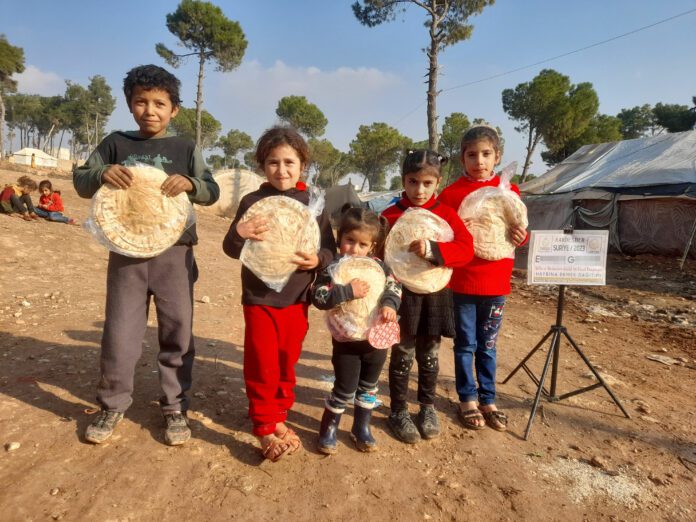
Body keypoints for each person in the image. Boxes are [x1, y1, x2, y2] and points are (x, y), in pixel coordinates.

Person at [73, 64, 220, 446]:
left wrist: (190, 182)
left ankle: (174, 408)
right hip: (127, 255)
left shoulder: (185, 147)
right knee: (120, 333)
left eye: (159, 103)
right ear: (129, 105)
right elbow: (81, 181)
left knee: (178, 332)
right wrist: (103, 173)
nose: (149, 110)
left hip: (176, 254)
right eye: (141, 102)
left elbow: (211, 189)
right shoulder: (115, 143)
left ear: (174, 109)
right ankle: (112, 403)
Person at [222, 126, 337, 462]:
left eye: (290, 162)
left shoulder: (313, 204)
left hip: (297, 299)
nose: (282, 170)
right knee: (261, 361)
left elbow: (329, 249)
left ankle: (279, 412)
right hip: (259, 298)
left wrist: (318, 260)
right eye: (273, 162)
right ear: (262, 165)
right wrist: (240, 232)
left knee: (287, 359)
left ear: (303, 165)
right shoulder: (253, 201)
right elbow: (231, 247)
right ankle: (263, 425)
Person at [438, 125, 528, 432]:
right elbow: (443, 236)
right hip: (463, 283)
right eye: (472, 155)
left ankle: (489, 399)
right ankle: (468, 400)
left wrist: (521, 236)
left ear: (497, 156)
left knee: (488, 345)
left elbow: (516, 232)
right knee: (465, 344)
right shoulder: (451, 195)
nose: (479, 161)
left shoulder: (509, 193)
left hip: (496, 284)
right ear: (462, 158)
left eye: (486, 154)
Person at [381, 149, 474, 444]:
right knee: (403, 352)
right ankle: (397, 411)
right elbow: (375, 252)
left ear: (438, 182)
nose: (419, 190)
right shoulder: (390, 215)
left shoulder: (445, 215)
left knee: (430, 353)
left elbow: (466, 250)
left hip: (435, 295)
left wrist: (435, 249)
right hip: (401, 297)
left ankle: (427, 407)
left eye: (427, 184)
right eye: (412, 182)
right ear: (403, 180)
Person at [311, 207, 402, 454]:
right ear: (340, 238)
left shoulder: (380, 268)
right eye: (350, 241)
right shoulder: (333, 268)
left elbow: (394, 288)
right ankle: (328, 429)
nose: (355, 249)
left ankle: (361, 427)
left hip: (375, 340)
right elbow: (319, 297)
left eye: (363, 244)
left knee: (369, 387)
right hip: (346, 341)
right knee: (344, 387)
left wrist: (389, 305)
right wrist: (347, 291)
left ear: (372, 247)